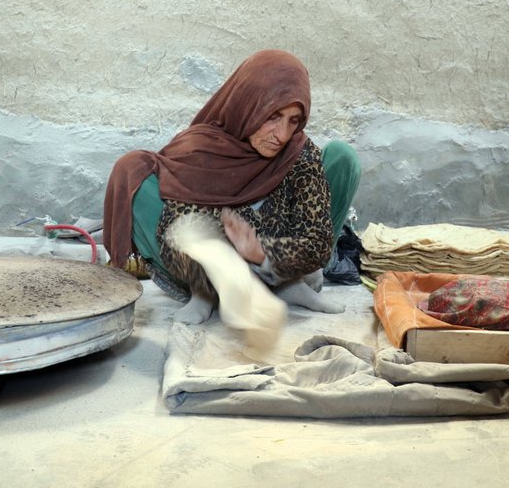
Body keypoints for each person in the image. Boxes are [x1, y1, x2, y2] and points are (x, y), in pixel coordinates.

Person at [102, 49, 361, 323]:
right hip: (211, 266)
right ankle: (206, 294)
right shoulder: (202, 148)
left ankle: (287, 284)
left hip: (277, 259)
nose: (283, 135)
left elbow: (317, 243)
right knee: (133, 170)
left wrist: (262, 251)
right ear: (249, 104)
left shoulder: (299, 151)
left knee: (343, 156)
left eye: (293, 120)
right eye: (273, 116)